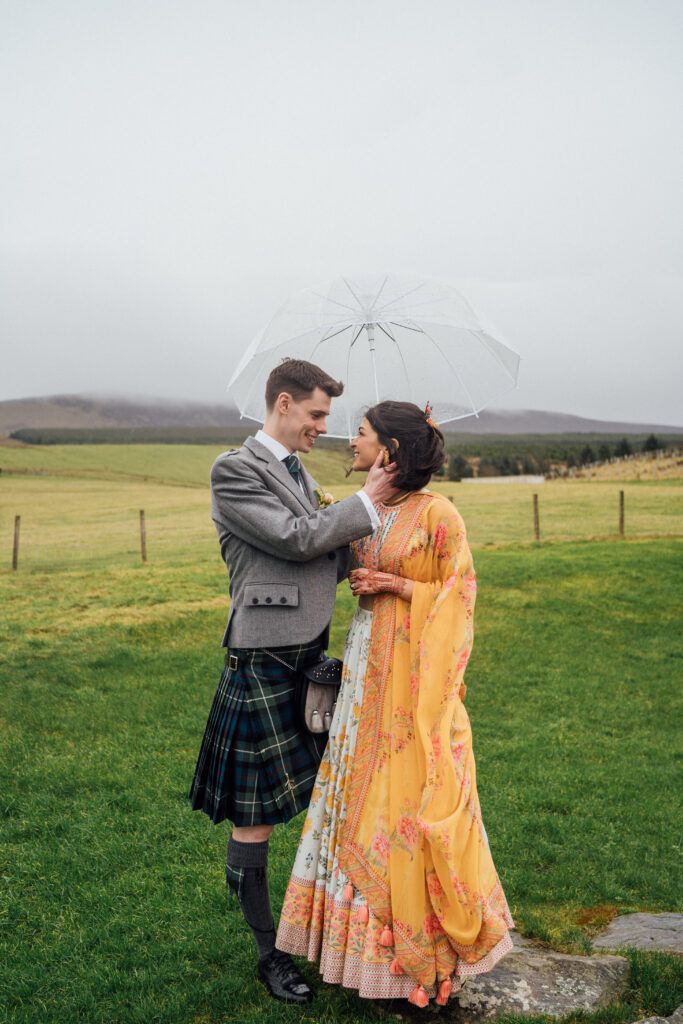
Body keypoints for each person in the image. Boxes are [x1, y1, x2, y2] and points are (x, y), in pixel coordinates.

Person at [276, 400, 514, 1007]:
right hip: (363, 674)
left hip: (413, 683)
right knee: (356, 789)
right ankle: (358, 957)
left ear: (390, 450)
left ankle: (413, 953)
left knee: (406, 795)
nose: (348, 442)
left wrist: (399, 585)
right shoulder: (363, 510)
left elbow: (459, 596)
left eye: (359, 434)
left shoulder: (440, 515)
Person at [188, 359, 398, 1005]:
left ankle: (318, 925)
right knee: (258, 820)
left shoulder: (295, 471)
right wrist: (368, 503)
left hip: (307, 656)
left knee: (320, 799)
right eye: (314, 415)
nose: (321, 429)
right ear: (282, 404)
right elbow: (294, 538)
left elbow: (321, 558)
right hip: (260, 660)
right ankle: (267, 952)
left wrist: (396, 542)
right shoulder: (235, 470)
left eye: (327, 419)